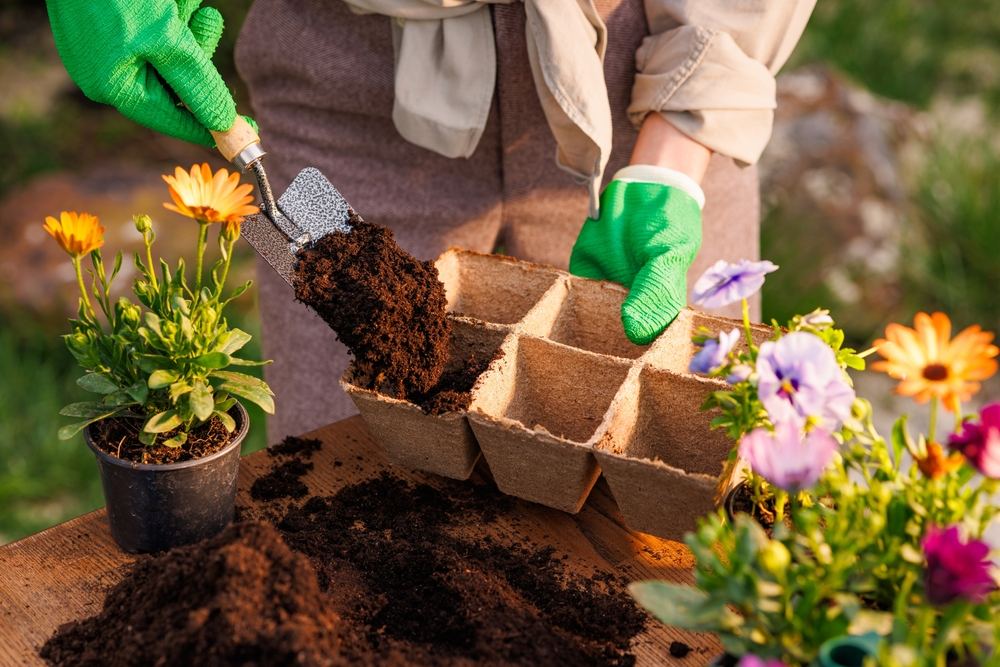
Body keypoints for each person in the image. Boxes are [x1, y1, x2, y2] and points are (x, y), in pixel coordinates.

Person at [46, 0, 816, 443]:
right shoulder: (301, 198)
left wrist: (671, 161)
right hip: (344, 75)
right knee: (340, 515)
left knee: (679, 489)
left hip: (642, 76)